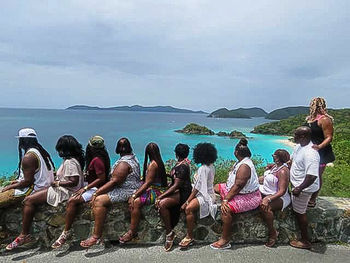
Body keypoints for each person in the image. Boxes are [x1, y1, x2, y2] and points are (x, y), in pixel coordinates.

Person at [6, 135, 85, 251]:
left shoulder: (70, 162)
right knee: (31, 198)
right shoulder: (73, 160)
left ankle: (24, 234)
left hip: (65, 192)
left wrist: (58, 183)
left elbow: (74, 181)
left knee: (28, 201)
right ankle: (24, 234)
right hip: (65, 189)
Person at [80, 138, 142, 248]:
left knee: (99, 201)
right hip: (132, 187)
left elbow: (114, 182)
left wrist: (96, 193)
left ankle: (96, 236)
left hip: (127, 190)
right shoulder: (132, 157)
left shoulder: (123, 163)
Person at [51, 135, 110, 249]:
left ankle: (66, 232)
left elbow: (101, 179)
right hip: (94, 186)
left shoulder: (97, 160)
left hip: (96, 188)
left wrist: (85, 188)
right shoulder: (100, 157)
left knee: (72, 201)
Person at [210, 139, 261, 249]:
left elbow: (238, 186)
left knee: (226, 209)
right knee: (214, 187)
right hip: (235, 191)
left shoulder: (244, 166)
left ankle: (225, 239)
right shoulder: (240, 162)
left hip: (248, 196)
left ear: (236, 152)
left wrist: (225, 199)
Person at [118, 142, 168, 243]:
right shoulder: (158, 161)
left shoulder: (153, 164)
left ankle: (132, 232)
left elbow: (148, 182)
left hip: (157, 191)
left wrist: (134, 195)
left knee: (136, 202)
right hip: (159, 188)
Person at [0, 128, 54, 208]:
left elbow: (28, 182)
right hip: (45, 186)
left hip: (35, 189)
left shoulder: (29, 157)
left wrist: (9, 187)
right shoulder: (40, 152)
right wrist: (18, 181)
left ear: (23, 141)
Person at [179, 143, 217, 249]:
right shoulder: (211, 166)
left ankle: (189, 236)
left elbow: (197, 188)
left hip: (205, 196)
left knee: (188, 209)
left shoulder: (203, 169)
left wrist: (187, 202)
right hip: (210, 193)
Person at [155, 143, 192, 251]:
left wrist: (160, 197)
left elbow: (176, 184)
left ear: (176, 153)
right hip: (179, 190)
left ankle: (169, 233)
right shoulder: (182, 163)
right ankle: (170, 232)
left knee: (162, 204)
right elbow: (175, 178)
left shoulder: (182, 167)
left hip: (183, 193)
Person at [289, 127, 320, 249]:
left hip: (303, 189)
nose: (293, 136)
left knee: (300, 213)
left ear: (303, 136)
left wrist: (299, 188)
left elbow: (312, 176)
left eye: (296, 134)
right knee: (298, 211)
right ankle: (304, 238)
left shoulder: (310, 153)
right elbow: (292, 161)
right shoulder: (299, 147)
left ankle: (305, 240)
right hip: (298, 185)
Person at [306, 97, 335, 207]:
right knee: (308, 174)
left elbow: (329, 137)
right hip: (310, 151)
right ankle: (308, 194)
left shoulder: (324, 120)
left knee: (317, 175)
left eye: (316, 105)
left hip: (322, 152)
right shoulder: (310, 119)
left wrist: (319, 147)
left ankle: (313, 198)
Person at [259, 149, 291, 247]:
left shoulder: (282, 171)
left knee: (265, 207)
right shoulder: (274, 167)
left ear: (277, 158)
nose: (272, 156)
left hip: (279, 197)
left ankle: (273, 233)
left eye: (274, 155)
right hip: (267, 192)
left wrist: (268, 199)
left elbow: (282, 191)